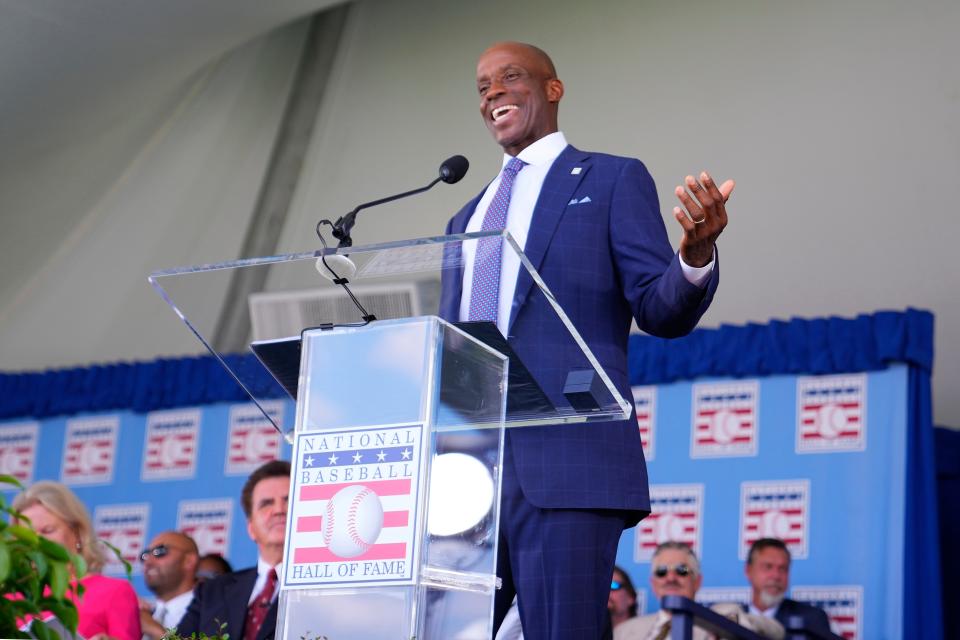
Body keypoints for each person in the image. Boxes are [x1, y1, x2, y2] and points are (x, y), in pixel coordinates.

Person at [439, 41, 733, 639]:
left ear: (553, 88)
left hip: (564, 465)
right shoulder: (462, 218)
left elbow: (658, 306)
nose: (492, 93)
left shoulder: (611, 178)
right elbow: (449, 347)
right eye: (482, 86)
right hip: (464, 478)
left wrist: (694, 256)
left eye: (510, 77)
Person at [12, 480, 142, 640]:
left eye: (47, 530)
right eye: (28, 535)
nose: (37, 542)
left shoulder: (114, 592)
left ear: (77, 531)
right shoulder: (9, 599)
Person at [177, 460, 290, 640]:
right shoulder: (211, 592)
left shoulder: (326, 589)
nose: (279, 510)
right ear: (251, 528)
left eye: (289, 500)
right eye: (266, 503)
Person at [615, 542, 782, 640]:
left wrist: (727, 621)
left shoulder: (719, 617)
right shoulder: (625, 631)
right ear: (653, 583)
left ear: (697, 581)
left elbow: (776, 631)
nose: (670, 577)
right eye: (662, 571)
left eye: (682, 570)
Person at [745, 538, 831, 635]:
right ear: (748, 571)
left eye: (782, 569)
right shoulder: (731, 620)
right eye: (768, 567)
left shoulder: (811, 620)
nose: (776, 576)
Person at [139, 530, 200, 639]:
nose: (148, 562)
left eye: (160, 551)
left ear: (189, 560)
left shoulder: (212, 612)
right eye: (145, 555)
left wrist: (154, 629)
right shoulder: (140, 616)